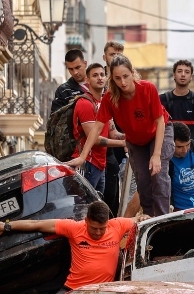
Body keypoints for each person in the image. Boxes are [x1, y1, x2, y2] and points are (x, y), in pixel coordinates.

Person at [0, 201, 144, 290]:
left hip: (101, 293)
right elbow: (36, 224)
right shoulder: (74, 228)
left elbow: (142, 221)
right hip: (72, 291)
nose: (98, 233)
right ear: (86, 221)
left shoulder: (116, 225)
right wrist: (6, 226)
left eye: (101, 229)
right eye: (94, 228)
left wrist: (145, 217)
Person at [97, 54, 175, 218]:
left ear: (132, 73)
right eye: (117, 78)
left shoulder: (147, 88)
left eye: (126, 76)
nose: (123, 82)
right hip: (135, 140)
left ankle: (162, 218)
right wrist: (82, 157)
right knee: (143, 181)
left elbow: (160, 122)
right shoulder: (110, 98)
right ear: (112, 78)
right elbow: (97, 127)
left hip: (159, 132)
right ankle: (148, 217)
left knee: (158, 176)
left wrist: (156, 155)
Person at [67, 63, 125, 193]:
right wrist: (123, 143)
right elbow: (95, 139)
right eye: (95, 75)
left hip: (100, 164)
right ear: (87, 80)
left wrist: (130, 136)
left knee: (97, 207)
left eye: (102, 75)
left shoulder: (104, 103)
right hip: (87, 162)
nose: (99, 78)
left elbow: (114, 133)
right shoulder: (85, 103)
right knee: (84, 206)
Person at [102, 40, 126, 214]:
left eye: (119, 54)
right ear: (105, 57)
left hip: (122, 147)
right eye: (112, 54)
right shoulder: (98, 79)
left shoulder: (127, 81)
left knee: (120, 195)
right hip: (101, 147)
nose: (116, 58)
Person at [160, 59, 194, 142]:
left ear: (191, 77)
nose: (183, 75)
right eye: (179, 71)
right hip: (169, 151)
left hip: (192, 150)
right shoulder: (162, 99)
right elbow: (157, 128)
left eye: (187, 72)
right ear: (174, 75)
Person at [52, 49, 90, 116]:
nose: (75, 72)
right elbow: (55, 119)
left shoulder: (98, 83)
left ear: (85, 64)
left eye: (77, 67)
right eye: (71, 69)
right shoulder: (62, 91)